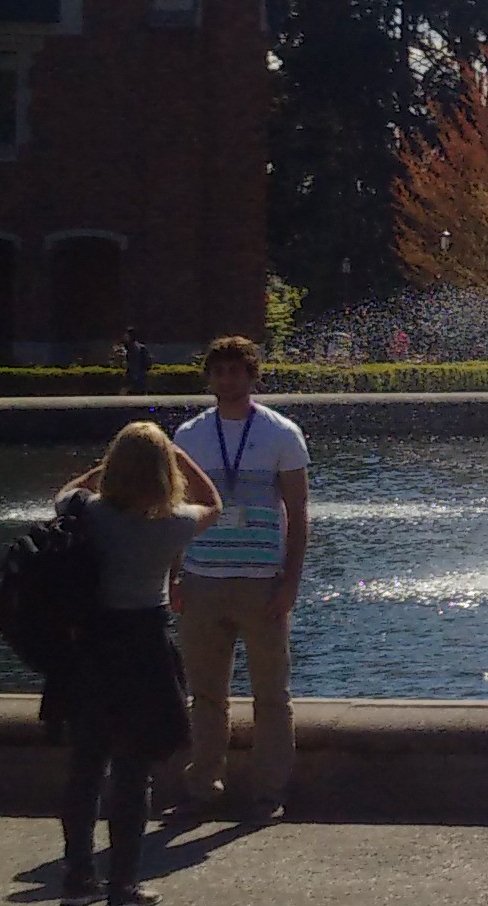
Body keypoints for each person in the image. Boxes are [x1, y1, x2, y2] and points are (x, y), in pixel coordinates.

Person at [53, 422, 219, 905]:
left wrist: (103, 469)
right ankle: (123, 882)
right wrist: (180, 457)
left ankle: (77, 878)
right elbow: (215, 504)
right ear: (164, 472)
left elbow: (66, 492)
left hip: (91, 646)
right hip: (144, 648)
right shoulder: (173, 523)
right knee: (133, 771)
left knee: (85, 767)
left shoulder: (87, 512)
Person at [168, 336, 309, 821]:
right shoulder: (188, 435)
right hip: (202, 577)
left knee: (271, 695)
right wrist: (175, 576)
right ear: (209, 377)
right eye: (219, 372)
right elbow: (175, 509)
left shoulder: (281, 433)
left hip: (261, 581)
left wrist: (290, 583)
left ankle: (269, 792)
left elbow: (299, 512)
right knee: (206, 694)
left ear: (253, 376)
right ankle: (203, 786)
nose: (227, 380)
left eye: (236, 371)